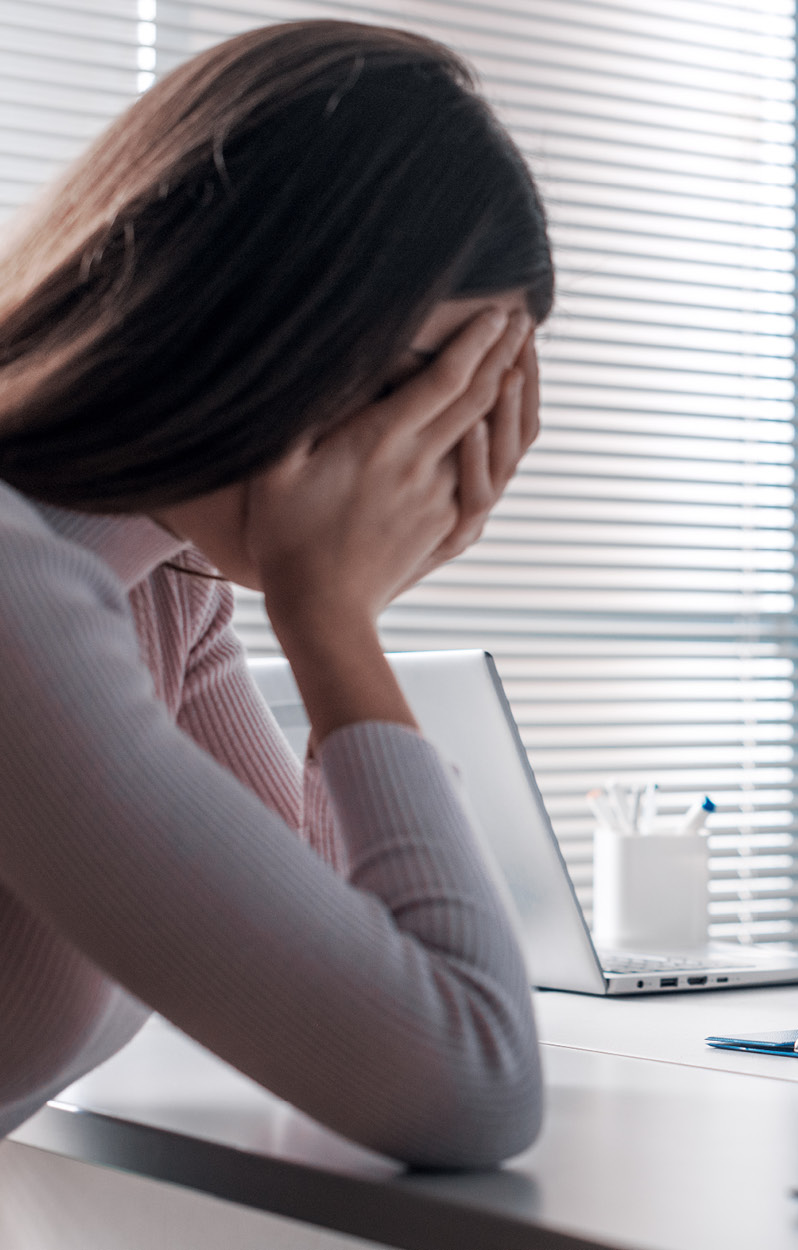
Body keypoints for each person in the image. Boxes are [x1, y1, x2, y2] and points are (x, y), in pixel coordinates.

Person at [0, 22, 553, 1167]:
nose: (449, 462)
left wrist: (336, 610)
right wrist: (331, 612)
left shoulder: (160, 590)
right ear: (264, 313)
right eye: (431, 392)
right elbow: (468, 1078)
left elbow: (336, 957)